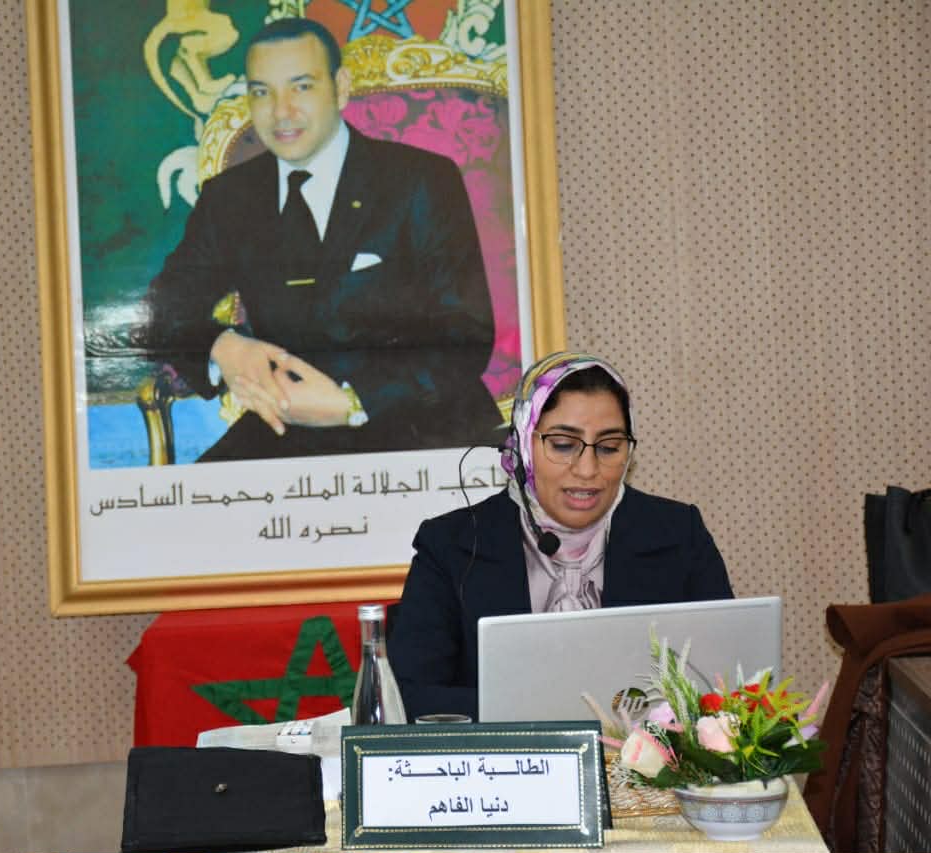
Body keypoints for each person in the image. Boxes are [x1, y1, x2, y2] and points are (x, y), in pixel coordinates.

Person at [144, 17, 501, 461]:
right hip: (285, 428)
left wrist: (352, 404)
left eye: (301, 87)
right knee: (192, 504)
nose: (281, 112)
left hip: (418, 422)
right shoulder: (229, 198)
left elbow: (465, 334)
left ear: (341, 87)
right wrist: (222, 348)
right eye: (262, 92)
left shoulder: (421, 180)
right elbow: (161, 307)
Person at [387, 352, 735, 720]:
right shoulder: (451, 545)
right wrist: (542, 709)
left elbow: (726, 682)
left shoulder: (679, 534)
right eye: (563, 445)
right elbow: (406, 698)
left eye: (609, 447)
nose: (587, 470)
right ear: (522, 445)